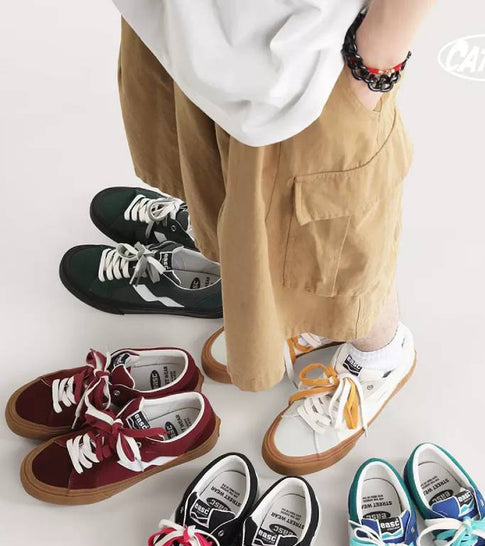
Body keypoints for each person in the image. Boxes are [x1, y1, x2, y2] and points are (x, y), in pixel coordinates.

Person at [103, 0, 435, 475]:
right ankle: (303, 314)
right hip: (196, 28)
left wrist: (375, 61)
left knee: (334, 227)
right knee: (245, 204)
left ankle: (380, 356)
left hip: (300, 51)